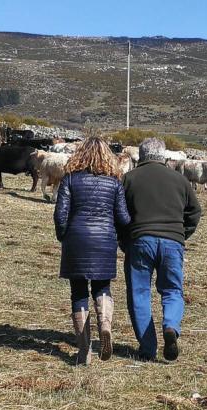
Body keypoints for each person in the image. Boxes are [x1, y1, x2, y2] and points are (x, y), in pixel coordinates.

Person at [121, 138, 202, 362]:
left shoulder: (129, 178)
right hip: (172, 242)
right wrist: (181, 235)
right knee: (173, 291)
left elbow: (119, 214)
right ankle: (171, 327)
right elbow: (194, 212)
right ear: (164, 155)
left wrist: (124, 240)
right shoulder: (180, 180)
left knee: (139, 294)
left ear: (142, 155)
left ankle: (148, 348)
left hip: (140, 240)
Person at [54, 137, 131, 365]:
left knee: (78, 293)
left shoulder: (70, 179)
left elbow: (60, 215)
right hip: (104, 240)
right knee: (102, 287)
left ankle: (84, 351)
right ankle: (105, 326)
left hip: (76, 240)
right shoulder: (114, 183)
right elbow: (124, 218)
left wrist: (63, 236)